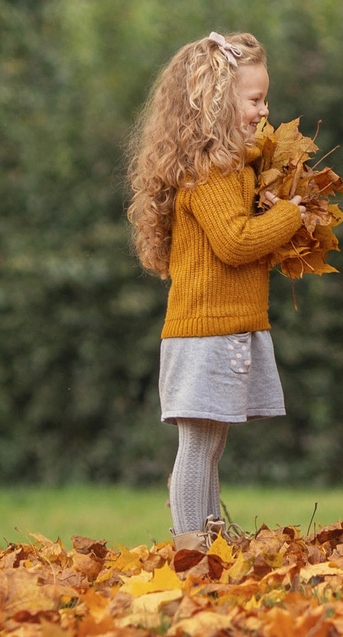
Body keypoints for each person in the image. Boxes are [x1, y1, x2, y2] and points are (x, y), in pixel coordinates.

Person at [126, 30, 307, 549]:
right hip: (207, 332)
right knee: (199, 444)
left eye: (264, 99)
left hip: (219, 328)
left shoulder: (231, 170)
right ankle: (191, 548)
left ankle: (209, 536)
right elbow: (234, 242)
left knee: (209, 444)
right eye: (254, 100)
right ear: (215, 103)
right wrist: (289, 218)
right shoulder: (214, 172)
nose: (263, 111)